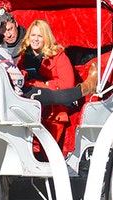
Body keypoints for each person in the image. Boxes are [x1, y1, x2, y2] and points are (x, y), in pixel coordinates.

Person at [16, 19, 97, 150]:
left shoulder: (58, 55)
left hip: (54, 104)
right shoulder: (25, 56)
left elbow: (68, 83)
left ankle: (86, 87)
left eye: (39, 36)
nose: (35, 39)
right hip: (30, 101)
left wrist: (45, 84)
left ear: (46, 38)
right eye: (33, 35)